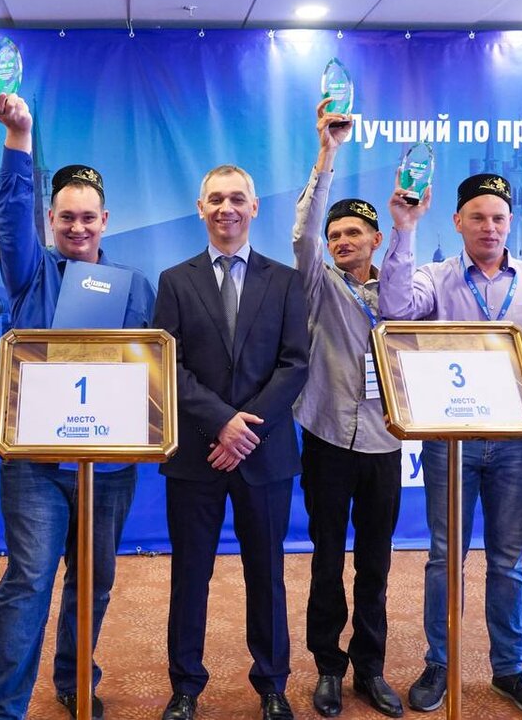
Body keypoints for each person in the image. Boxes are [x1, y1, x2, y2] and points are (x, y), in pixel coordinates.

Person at [0, 93, 156, 720]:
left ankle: (75, 680)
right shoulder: (30, 273)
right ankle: (2, 708)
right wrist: (18, 139)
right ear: (50, 220)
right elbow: (11, 214)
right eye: (66, 218)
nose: (77, 228)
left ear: (105, 220)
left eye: (88, 218)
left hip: (109, 467)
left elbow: (150, 373)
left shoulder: (136, 286)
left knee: (93, 582)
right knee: (29, 581)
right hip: (35, 463)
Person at [378, 172, 522, 718]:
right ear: (457, 222)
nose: (489, 227)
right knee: (443, 558)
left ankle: (510, 668)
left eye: (498, 218)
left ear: (510, 222)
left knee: (508, 560)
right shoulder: (434, 276)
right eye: (477, 217)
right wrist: (405, 228)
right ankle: (440, 661)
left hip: (514, 443)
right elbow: (394, 310)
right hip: (449, 441)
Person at [154, 163, 309, 720]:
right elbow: (168, 364)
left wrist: (245, 432)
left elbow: (294, 365)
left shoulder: (285, 280)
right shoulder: (175, 280)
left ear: (254, 207)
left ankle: (272, 684)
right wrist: (221, 422)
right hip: (197, 452)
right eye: (216, 199)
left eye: (238, 198)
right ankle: (185, 686)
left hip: (264, 455)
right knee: (190, 574)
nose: (227, 208)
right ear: (201, 208)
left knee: (266, 573)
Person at [293, 99, 403, 718]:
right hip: (328, 437)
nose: (340, 241)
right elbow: (303, 235)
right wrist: (326, 156)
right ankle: (328, 668)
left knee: (376, 565)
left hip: (386, 440)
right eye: (335, 235)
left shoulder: (400, 290)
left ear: (375, 240)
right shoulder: (318, 281)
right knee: (328, 559)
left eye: (353, 233)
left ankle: (371, 669)